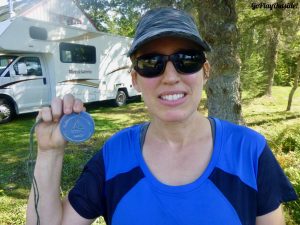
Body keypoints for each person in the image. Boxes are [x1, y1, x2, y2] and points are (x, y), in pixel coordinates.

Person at [26, 7, 298, 225]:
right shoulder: (114, 155)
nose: (170, 77)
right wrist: (49, 152)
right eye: (151, 63)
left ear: (206, 71)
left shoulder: (249, 151)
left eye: (187, 60)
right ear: (135, 79)